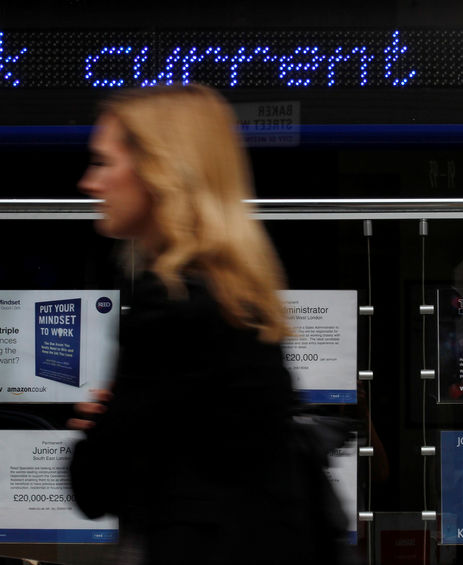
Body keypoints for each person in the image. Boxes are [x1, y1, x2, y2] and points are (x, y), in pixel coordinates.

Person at [69, 84, 351, 565]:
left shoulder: (172, 306)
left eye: (102, 162)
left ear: (159, 171)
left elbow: (94, 487)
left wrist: (100, 426)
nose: (88, 183)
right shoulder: (240, 300)